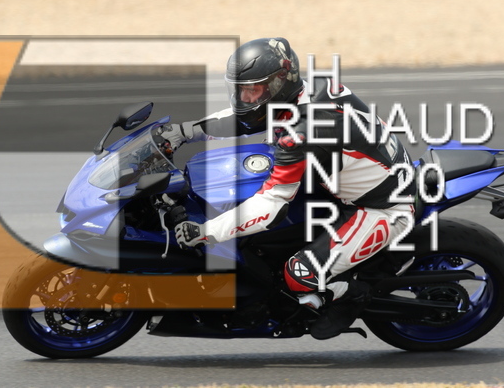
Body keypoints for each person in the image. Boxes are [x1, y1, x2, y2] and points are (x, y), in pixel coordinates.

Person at [159, 37, 415, 340]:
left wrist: (206, 231)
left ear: (279, 83)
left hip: (383, 206)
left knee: (299, 274)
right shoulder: (307, 92)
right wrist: (185, 131)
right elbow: (244, 120)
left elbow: (271, 206)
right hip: (349, 177)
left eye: (253, 90)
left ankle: (352, 295)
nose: (244, 98)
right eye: (240, 89)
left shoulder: (303, 130)